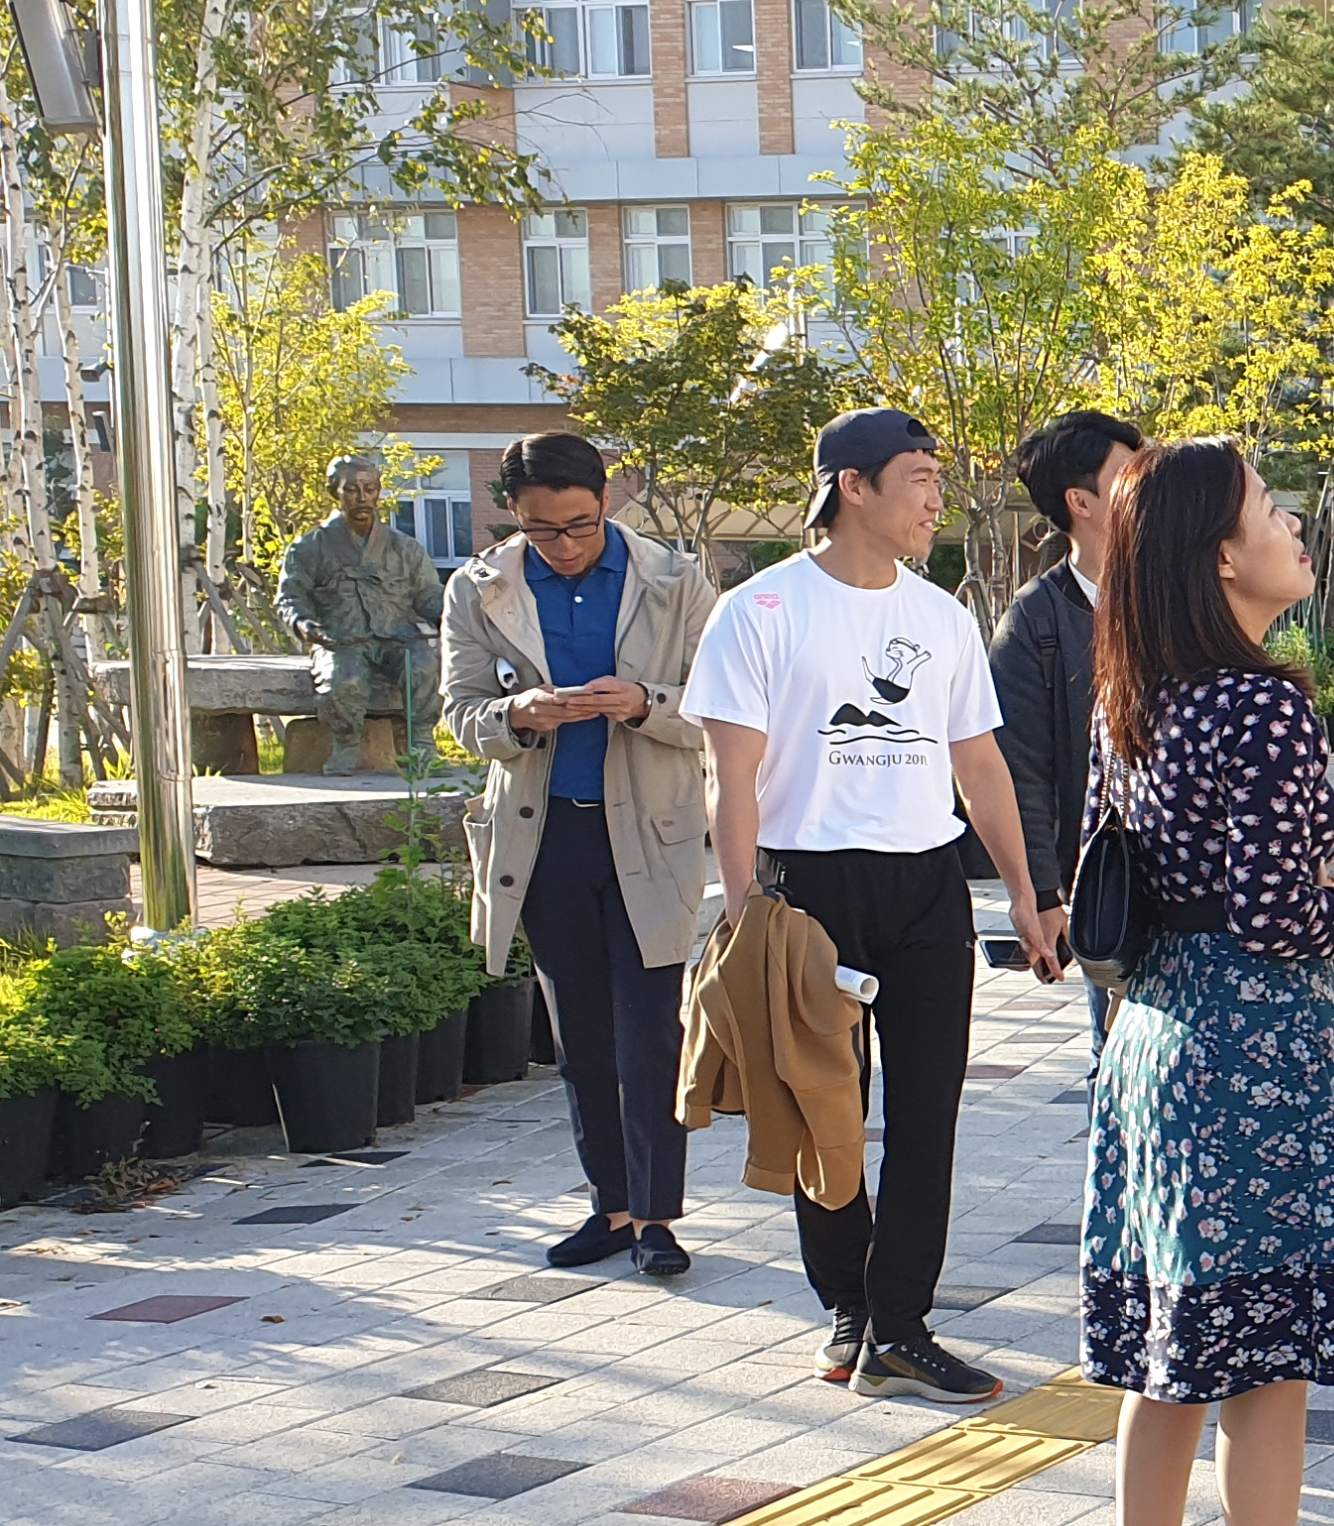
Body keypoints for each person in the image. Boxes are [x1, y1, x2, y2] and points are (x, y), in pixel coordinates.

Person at [1079, 438, 1334, 1526]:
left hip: (1154, 1037)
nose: (1293, 525)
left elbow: (1120, 886)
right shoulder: (1261, 701)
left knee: (1177, 1342)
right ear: (1222, 554)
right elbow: (1281, 913)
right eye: (1272, 511)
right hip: (1256, 1053)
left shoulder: (1136, 695)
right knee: (1265, 1356)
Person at [691, 406, 1065, 1406]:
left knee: (930, 1109)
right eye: (917, 479)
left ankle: (900, 1325)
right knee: (827, 1109)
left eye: (938, 480)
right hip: (804, 888)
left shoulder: (940, 616)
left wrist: (1028, 893)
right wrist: (743, 917)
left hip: (924, 885)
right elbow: (731, 779)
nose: (935, 500)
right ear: (852, 486)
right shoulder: (760, 612)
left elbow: (979, 768)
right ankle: (849, 1306)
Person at [439, 432, 716, 1279]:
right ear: (512, 518)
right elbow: (458, 713)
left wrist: (644, 703)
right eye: (542, 531)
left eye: (581, 525)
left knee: (650, 1035)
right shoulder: (479, 587)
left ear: (607, 500)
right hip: (543, 832)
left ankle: (661, 1218)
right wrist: (516, 716)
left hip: (651, 834)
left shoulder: (675, 581)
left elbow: (725, 703)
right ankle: (614, 1209)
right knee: (581, 1038)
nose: (564, 545)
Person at [990, 409, 1144, 1049]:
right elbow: (1018, 771)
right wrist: (1042, 895)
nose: (1147, 483)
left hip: (1204, 877)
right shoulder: (1036, 622)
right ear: (1081, 501)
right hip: (1111, 883)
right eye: (1128, 474)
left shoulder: (1188, 589)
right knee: (1114, 1056)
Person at [279, 455, 447, 774]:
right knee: (345, 680)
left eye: (369, 488)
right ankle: (346, 744)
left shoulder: (404, 548)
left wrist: (449, 615)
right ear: (335, 493)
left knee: (424, 666)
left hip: (398, 635)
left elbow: (427, 593)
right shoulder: (309, 547)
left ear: (378, 492)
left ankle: (422, 743)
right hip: (342, 638)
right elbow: (291, 596)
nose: (361, 497)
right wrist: (304, 624)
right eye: (351, 489)